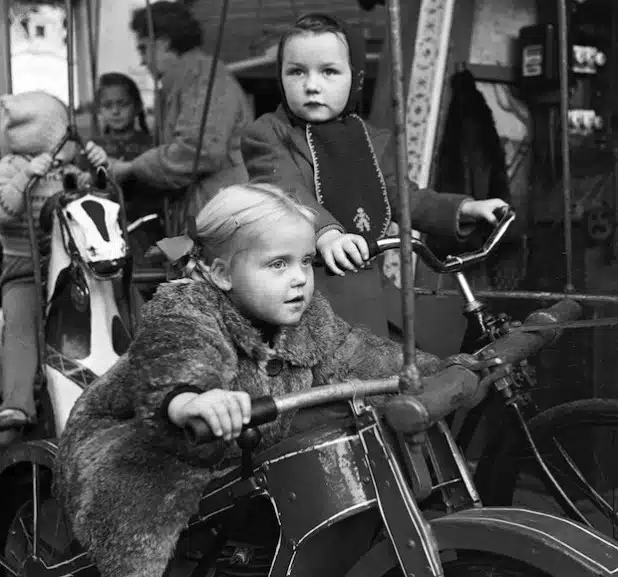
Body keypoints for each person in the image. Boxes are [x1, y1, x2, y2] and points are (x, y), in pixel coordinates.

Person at [55, 182, 457, 577]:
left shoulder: (307, 317)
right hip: (145, 450)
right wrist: (193, 401)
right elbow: (179, 365)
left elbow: (358, 352)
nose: (299, 277)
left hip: (238, 455)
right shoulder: (187, 311)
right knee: (142, 528)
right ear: (221, 273)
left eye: (305, 260)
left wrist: (441, 370)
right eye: (278, 264)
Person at [241, 13, 509, 338]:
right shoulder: (268, 135)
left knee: (420, 347)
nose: (311, 85)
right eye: (296, 71)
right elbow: (285, 191)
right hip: (308, 291)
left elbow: (401, 195)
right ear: (280, 77)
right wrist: (327, 235)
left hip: (370, 288)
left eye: (328, 71)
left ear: (354, 78)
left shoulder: (369, 139)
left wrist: (465, 208)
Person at [0, 90, 108, 433]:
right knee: (20, 324)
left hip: (67, 268)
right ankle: (17, 403)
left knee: (106, 306)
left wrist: (100, 169)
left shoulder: (67, 171)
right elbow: (5, 211)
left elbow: (95, 204)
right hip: (25, 268)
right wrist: (26, 176)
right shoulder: (8, 167)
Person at [108, 1, 253, 232]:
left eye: (143, 49)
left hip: (220, 219)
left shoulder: (203, 78)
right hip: (205, 213)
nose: (142, 61)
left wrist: (131, 168)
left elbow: (198, 150)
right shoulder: (184, 80)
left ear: (163, 44)